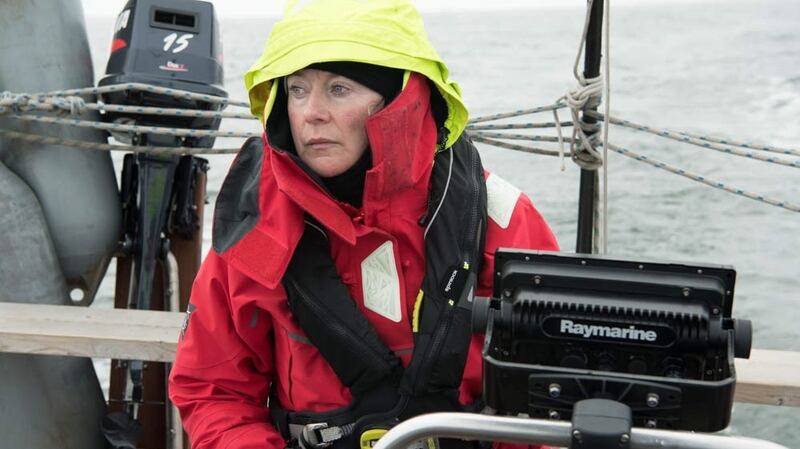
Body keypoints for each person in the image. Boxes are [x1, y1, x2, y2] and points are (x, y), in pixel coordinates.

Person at [168, 1, 559, 448]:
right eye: (297, 89)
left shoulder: (502, 219)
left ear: (400, 100)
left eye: (339, 89)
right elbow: (215, 391)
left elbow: (549, 397)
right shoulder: (255, 230)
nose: (311, 112)